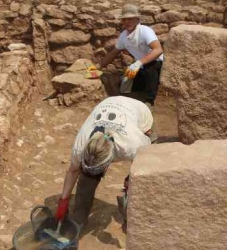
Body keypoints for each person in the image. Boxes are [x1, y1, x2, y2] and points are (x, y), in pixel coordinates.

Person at [54, 96, 155, 230]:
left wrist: (131, 179)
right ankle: (79, 219)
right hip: (107, 104)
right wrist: (63, 201)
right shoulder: (81, 145)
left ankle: (135, 216)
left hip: (140, 113)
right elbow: (73, 171)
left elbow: (147, 157)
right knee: (87, 177)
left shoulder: (132, 145)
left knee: (140, 180)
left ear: (108, 163)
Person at [97, 4, 164, 106]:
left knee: (151, 68)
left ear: (137, 19)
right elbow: (114, 52)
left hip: (156, 64)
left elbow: (158, 50)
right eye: (124, 20)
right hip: (140, 66)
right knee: (124, 82)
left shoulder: (145, 31)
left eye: (130, 19)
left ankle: (149, 101)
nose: (127, 22)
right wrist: (98, 67)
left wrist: (138, 63)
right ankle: (139, 90)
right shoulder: (124, 36)